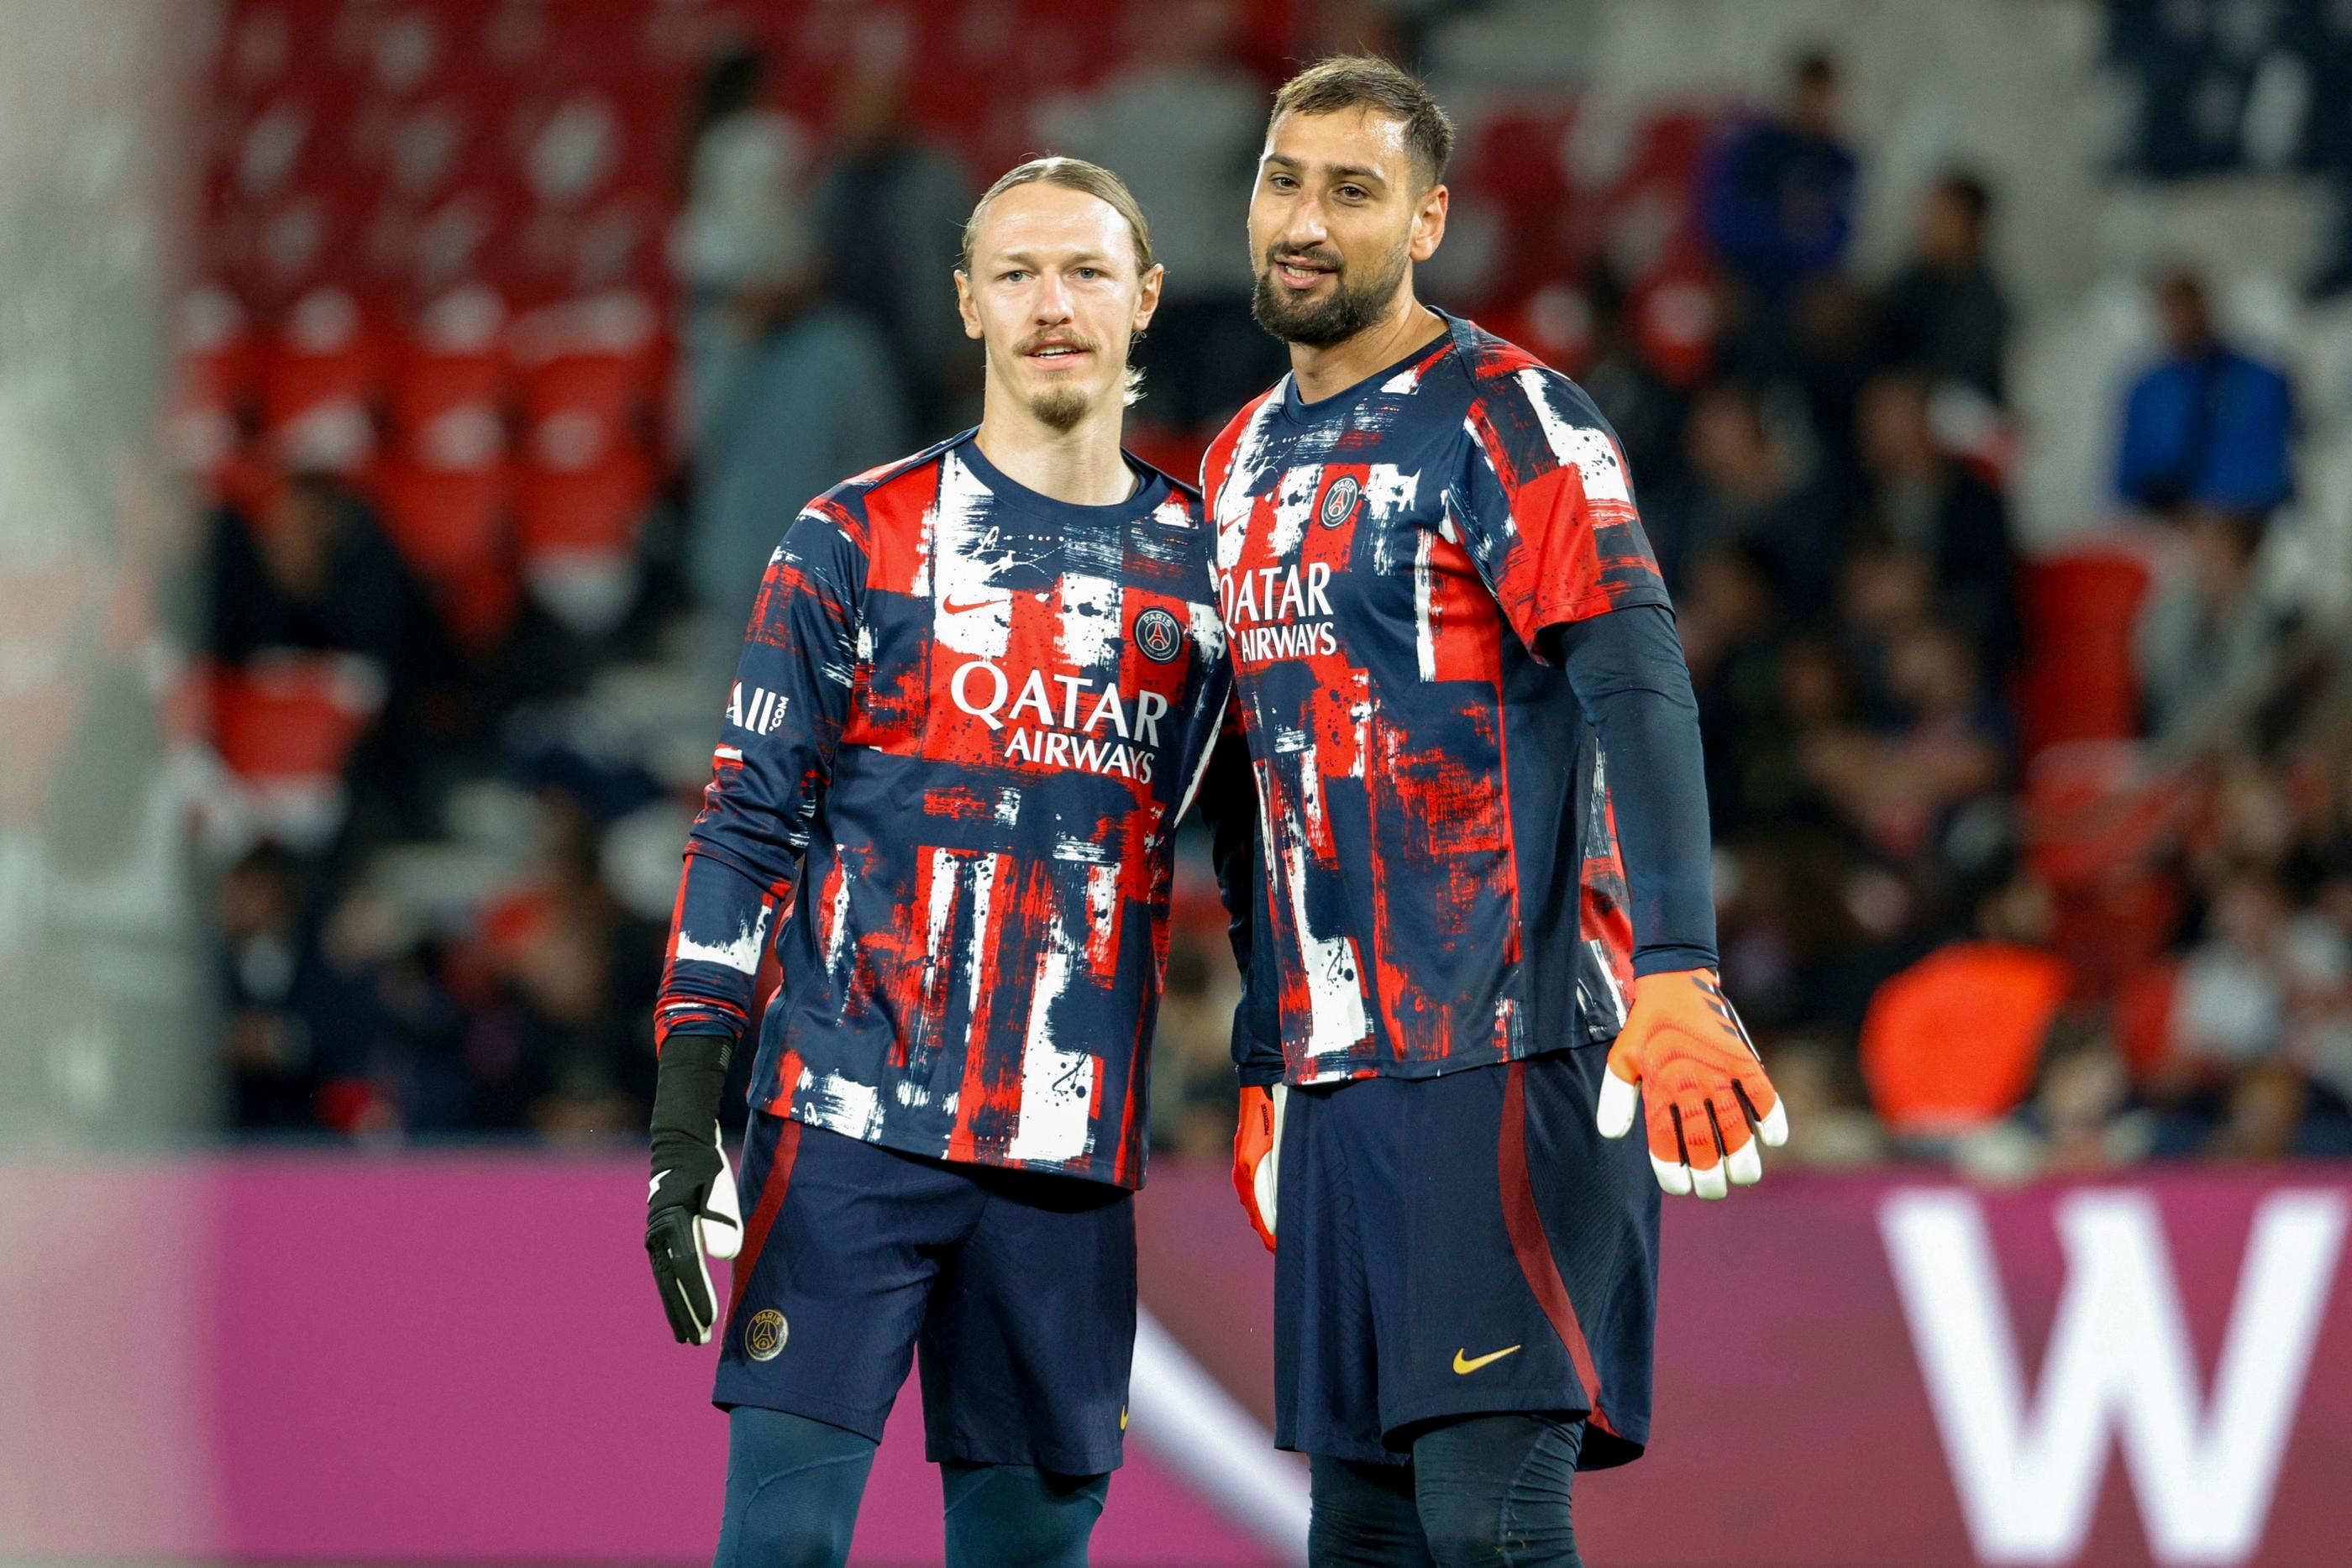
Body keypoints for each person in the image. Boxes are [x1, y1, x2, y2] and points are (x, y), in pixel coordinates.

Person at [1205, 58, 1789, 1568]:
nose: (1307, 220)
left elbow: (1644, 690)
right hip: (1337, 1080)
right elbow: (1251, 779)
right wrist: (1265, 1045)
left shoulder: (1509, 413)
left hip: (1511, 1043)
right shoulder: (1233, 461)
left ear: (1428, 221)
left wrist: (1676, 966)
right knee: (1362, 1528)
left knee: (1489, 1513)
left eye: (1353, 190)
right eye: (1285, 181)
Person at [642, 157, 1242, 1568]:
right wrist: (686, 1115)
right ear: (966, 301)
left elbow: (1258, 857)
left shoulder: (1210, 575)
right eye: (1019, 272)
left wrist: (1280, 1079)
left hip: (1069, 1153)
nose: (1052, 304)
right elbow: (742, 825)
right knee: (779, 1547)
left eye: (1088, 271)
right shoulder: (850, 540)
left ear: (1145, 301)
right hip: (843, 1127)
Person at [2115, 270, 2295, 520]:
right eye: (2172, 312)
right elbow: (2128, 478)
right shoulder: (2147, 390)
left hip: (2243, 520)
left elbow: (2273, 461)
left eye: (2188, 309)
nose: (2182, 321)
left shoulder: (2258, 379)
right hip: (2168, 524)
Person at [1874, 170, 2009, 404]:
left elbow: (1961, 379)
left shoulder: (1982, 303)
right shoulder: (1917, 278)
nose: (1931, 227)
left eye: (1944, 217)